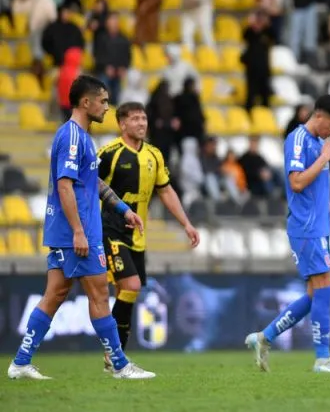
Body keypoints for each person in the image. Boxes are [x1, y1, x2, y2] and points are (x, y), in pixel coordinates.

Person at [8, 75, 154, 380]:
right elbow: (64, 186)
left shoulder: (81, 137)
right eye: (102, 100)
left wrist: (122, 208)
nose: (106, 106)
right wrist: (78, 231)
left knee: (55, 294)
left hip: (70, 231)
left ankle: (21, 362)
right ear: (85, 102)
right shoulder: (73, 137)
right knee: (100, 294)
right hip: (77, 232)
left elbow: (91, 182)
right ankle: (120, 364)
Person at [245, 95, 330, 374]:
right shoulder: (299, 139)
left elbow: (312, 185)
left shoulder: (317, 142)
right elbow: (296, 181)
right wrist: (325, 159)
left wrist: (323, 201)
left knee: (316, 293)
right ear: (319, 117)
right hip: (306, 227)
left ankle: (263, 338)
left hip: (318, 225)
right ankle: (322, 359)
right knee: (324, 288)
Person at [98, 102, 200, 370]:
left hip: (138, 236)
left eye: (144, 118)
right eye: (135, 119)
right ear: (122, 124)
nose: (142, 123)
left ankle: (114, 357)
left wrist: (186, 224)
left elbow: (166, 191)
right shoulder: (109, 154)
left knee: (127, 291)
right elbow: (87, 186)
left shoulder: (154, 155)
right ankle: (116, 353)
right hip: (110, 231)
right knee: (130, 286)